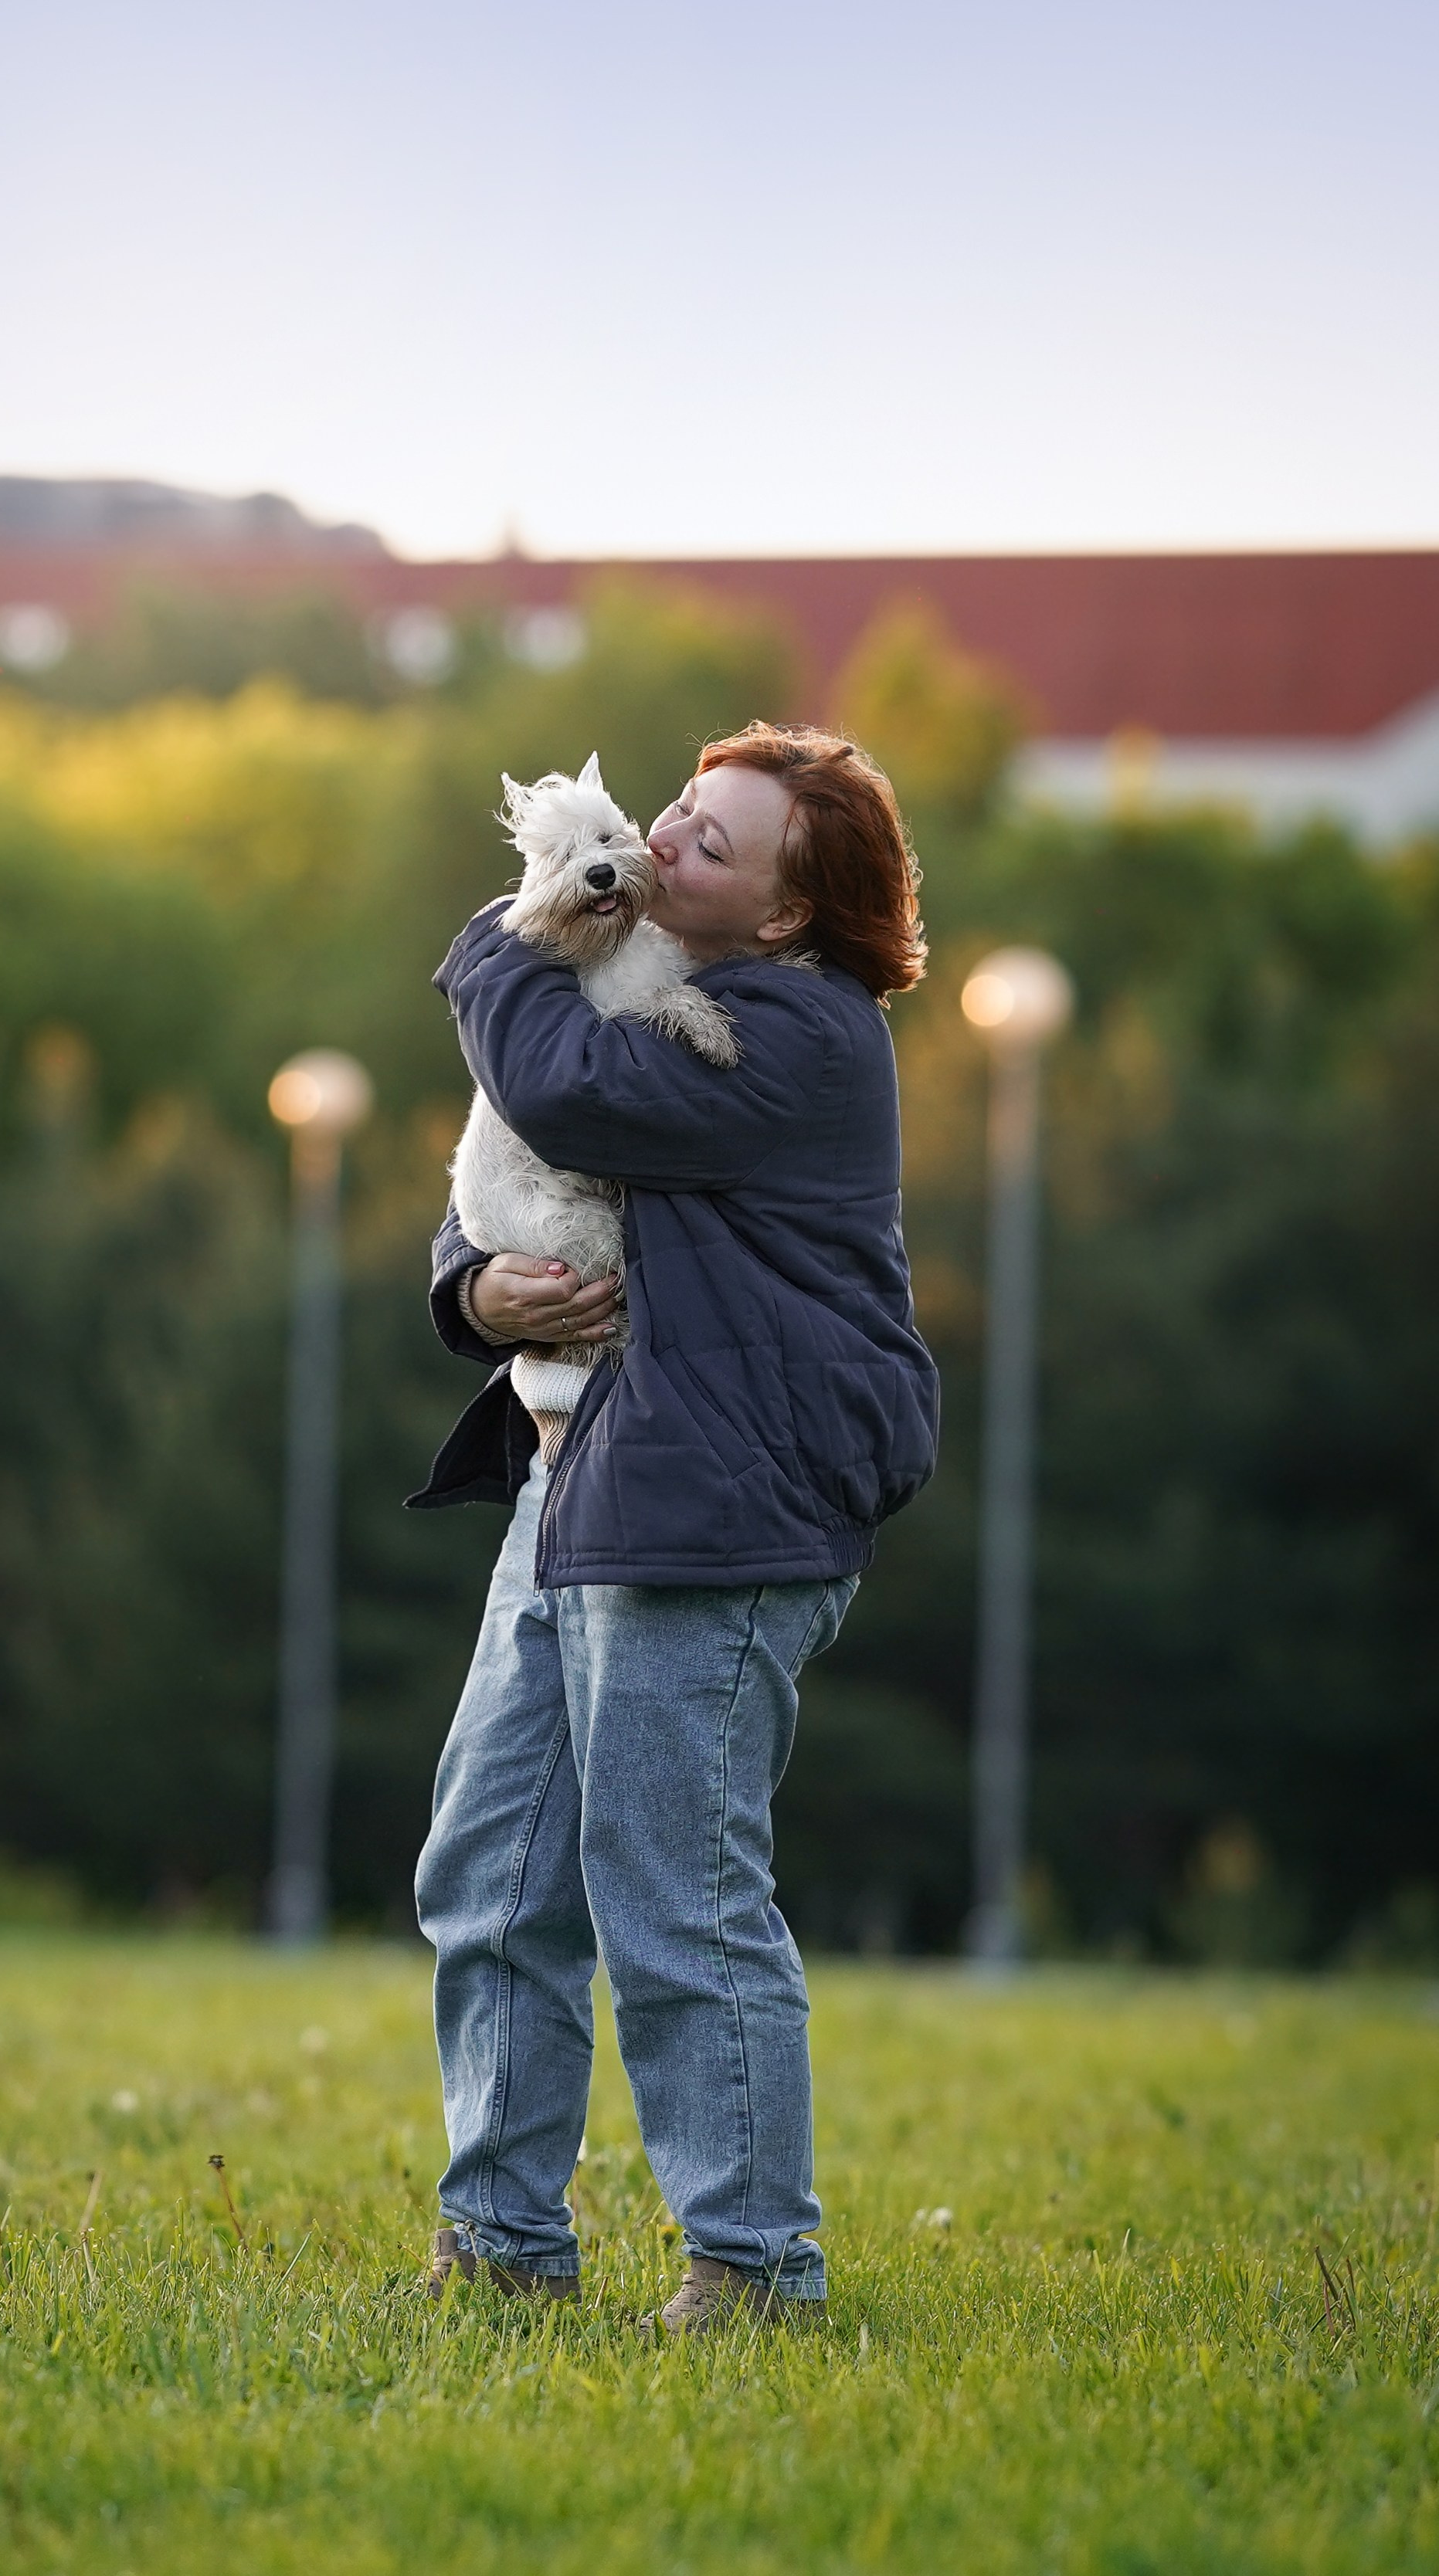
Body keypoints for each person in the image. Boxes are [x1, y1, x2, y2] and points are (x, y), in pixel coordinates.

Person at [407, 722, 938, 2334]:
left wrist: (492, 941)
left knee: (676, 1895)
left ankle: (754, 2269)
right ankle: (499, 2249)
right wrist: (472, 1287)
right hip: (576, 1472)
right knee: (491, 1881)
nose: (660, 846)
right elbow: (503, 1164)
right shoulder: (640, 964)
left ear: (781, 916)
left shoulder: (795, 1029)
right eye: (673, 814)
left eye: (713, 844)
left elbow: (559, 1090)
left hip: (712, 1504)